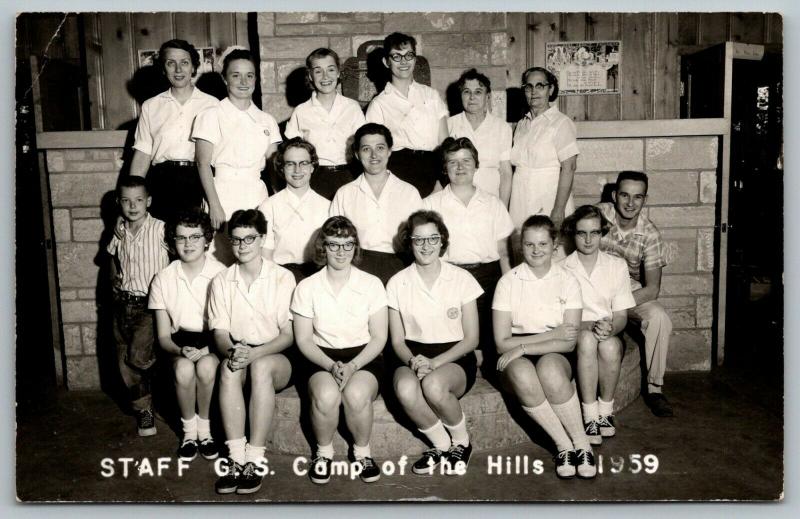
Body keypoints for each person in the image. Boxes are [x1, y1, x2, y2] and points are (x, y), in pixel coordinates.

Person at [492, 215, 596, 479]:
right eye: (529, 245)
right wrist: (543, 338)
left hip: (553, 352)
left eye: (542, 244)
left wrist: (524, 347)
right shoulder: (508, 282)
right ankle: (564, 446)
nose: (536, 250)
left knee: (550, 370)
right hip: (518, 351)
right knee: (522, 373)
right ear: (521, 246)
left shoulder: (568, 280)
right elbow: (501, 343)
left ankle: (582, 444)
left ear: (555, 244)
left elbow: (568, 340)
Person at [292, 216, 388, 485]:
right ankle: (323, 454)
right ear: (323, 247)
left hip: (364, 357)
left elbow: (380, 336)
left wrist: (353, 366)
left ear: (355, 247)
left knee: (356, 395)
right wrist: (331, 366)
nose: (341, 251)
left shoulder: (371, 284)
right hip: (320, 356)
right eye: (334, 245)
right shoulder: (307, 287)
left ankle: (362, 453)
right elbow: (303, 340)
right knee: (325, 395)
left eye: (348, 244)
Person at [207, 209, 296, 495]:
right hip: (239, 351)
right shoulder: (221, 281)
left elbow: (288, 335)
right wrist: (232, 352)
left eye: (250, 239)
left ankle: (255, 459)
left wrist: (255, 354)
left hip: (276, 355)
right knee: (227, 368)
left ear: (262, 239)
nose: (243, 246)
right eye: (236, 240)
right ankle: (236, 459)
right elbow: (219, 333)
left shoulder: (283, 277)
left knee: (260, 368)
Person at [387, 210, 483, 475]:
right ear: (409, 243)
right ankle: (441, 446)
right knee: (406, 389)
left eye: (433, 238)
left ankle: (462, 443)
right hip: (412, 354)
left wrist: (435, 363)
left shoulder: (462, 279)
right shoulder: (397, 283)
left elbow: (472, 338)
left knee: (433, 384)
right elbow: (396, 340)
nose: (426, 245)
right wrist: (413, 362)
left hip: (454, 356)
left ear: (442, 241)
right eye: (419, 240)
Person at [422, 137, 513, 373]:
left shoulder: (493, 204)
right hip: (450, 277)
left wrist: (509, 288)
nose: (460, 167)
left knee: (489, 351)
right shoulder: (431, 204)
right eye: (453, 162)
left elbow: (503, 251)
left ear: (476, 165)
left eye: (466, 161)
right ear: (445, 168)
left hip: (488, 276)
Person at [148, 209, 226, 461]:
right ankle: (189, 433)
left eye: (195, 237)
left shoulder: (221, 273)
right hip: (177, 343)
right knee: (183, 369)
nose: (188, 244)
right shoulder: (163, 278)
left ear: (207, 239)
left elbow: (228, 327)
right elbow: (163, 337)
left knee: (205, 368)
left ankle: (205, 430)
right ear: (172, 242)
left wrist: (209, 350)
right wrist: (180, 350)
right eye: (181, 238)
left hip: (213, 340)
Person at [192, 47, 282, 264]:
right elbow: (202, 163)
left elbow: (274, 168)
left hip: (257, 193)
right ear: (225, 79)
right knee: (221, 258)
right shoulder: (211, 115)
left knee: (258, 257)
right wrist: (214, 204)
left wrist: (279, 203)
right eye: (236, 75)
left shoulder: (266, 120)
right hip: (223, 192)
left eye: (249, 75)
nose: (243, 81)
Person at [598, 171, 674, 417]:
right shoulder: (598, 215)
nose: (630, 203)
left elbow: (652, 289)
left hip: (628, 290)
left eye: (638, 197)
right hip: (594, 282)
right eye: (624, 195)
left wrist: (617, 306)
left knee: (659, 317)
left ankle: (654, 388)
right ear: (614, 196)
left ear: (645, 200)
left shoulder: (650, 234)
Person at [560, 205, 635, 444]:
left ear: (602, 232)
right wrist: (588, 326)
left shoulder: (617, 265)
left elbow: (621, 315)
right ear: (573, 234)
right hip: (576, 334)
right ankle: (589, 414)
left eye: (594, 232)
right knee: (586, 339)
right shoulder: (562, 268)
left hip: (607, 331)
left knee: (610, 347)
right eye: (582, 233)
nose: (589, 239)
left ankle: (605, 412)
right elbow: (561, 318)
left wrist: (611, 328)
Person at [129, 39, 219, 225]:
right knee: (162, 243)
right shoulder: (151, 106)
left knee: (195, 243)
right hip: (162, 182)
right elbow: (142, 156)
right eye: (171, 63)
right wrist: (132, 197)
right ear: (163, 68)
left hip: (199, 181)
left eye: (184, 63)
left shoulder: (212, 104)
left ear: (194, 66)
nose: (178, 70)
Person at [106, 176, 170, 436]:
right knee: (124, 358)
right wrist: (113, 278)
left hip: (150, 305)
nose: (133, 206)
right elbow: (113, 257)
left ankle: (162, 390)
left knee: (138, 357)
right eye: (126, 201)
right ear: (118, 203)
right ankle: (144, 410)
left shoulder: (161, 229)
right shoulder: (119, 231)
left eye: (139, 200)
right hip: (124, 302)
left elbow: (180, 256)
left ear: (149, 201)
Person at [330, 123, 423, 285]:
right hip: (356, 266)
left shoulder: (409, 192)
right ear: (357, 154)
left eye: (380, 148)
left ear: (389, 151)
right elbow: (333, 239)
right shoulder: (345, 193)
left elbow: (420, 236)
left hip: (400, 267)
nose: (374, 155)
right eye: (366, 149)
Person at [365, 32, 449, 198]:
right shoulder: (379, 104)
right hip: (398, 174)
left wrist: (441, 182)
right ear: (386, 62)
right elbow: (374, 150)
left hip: (433, 172)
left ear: (415, 59)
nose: (403, 61)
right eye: (396, 56)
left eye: (408, 55)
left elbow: (445, 144)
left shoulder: (431, 95)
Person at [284, 48, 366, 200]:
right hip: (315, 178)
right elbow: (291, 150)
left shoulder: (352, 107)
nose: (325, 76)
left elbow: (363, 145)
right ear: (310, 76)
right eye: (318, 71)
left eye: (330, 69)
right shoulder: (301, 111)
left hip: (349, 175)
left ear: (338, 72)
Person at [509, 67, 578, 231]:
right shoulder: (521, 124)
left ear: (551, 89)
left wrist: (559, 209)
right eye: (528, 86)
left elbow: (570, 167)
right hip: (520, 198)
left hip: (549, 198)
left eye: (540, 86)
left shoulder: (561, 123)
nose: (534, 91)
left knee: (551, 249)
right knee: (522, 249)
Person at [258, 138, 330, 283]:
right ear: (282, 167)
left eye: (303, 163)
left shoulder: (327, 206)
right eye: (290, 164)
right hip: (280, 276)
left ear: (312, 167)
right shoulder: (268, 206)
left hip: (318, 277)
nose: (297, 170)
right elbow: (265, 256)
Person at [447, 68, 513, 205]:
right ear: (461, 95)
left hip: (491, 199)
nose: (472, 97)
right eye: (467, 92)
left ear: (488, 96)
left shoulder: (502, 128)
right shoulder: (449, 125)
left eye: (478, 92)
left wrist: (503, 207)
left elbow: (506, 173)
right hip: (457, 199)